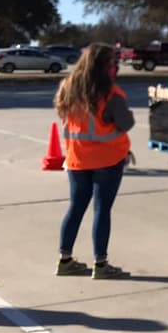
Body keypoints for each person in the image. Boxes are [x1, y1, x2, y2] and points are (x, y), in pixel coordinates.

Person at [54, 43, 135, 279]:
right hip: (108, 159)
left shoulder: (68, 88)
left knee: (76, 207)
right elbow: (126, 123)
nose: (115, 67)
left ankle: (65, 259)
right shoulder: (111, 93)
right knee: (102, 209)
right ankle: (100, 264)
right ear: (103, 66)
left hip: (77, 159)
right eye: (112, 62)